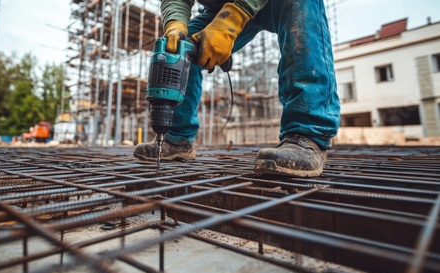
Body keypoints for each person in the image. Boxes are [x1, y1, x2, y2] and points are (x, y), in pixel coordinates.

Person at [134, 0, 341, 177]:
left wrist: (232, 20)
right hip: (220, 9)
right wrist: (175, 25)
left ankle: (308, 135)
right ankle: (177, 138)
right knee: (184, 46)